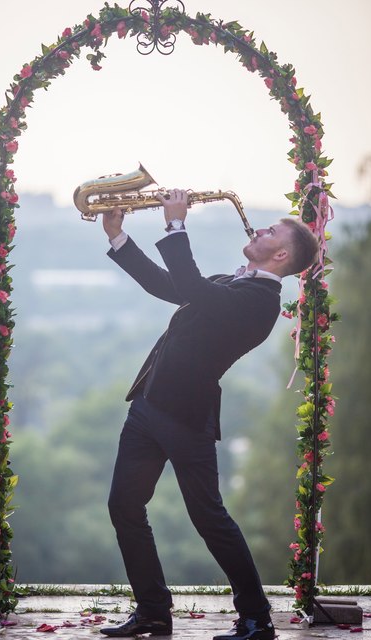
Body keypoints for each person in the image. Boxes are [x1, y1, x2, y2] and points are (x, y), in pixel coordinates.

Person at [98, 189, 319, 639]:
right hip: (148, 408)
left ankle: (256, 619)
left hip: (186, 420)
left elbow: (193, 287)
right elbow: (170, 286)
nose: (259, 229)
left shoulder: (260, 302)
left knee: (210, 519)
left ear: (280, 254)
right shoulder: (235, 281)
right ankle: (154, 612)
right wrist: (119, 238)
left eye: (270, 231)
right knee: (124, 505)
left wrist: (176, 226)